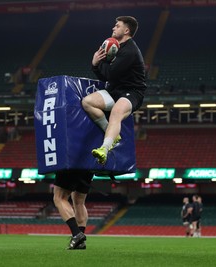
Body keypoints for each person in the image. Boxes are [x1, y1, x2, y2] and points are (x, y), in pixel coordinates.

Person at [82, 16, 147, 165]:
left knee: (117, 112)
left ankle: (104, 149)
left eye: (117, 26)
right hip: (114, 91)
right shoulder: (115, 47)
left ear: (126, 30)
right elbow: (106, 78)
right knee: (87, 102)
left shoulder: (130, 50)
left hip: (132, 92)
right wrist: (95, 65)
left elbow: (110, 73)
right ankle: (111, 132)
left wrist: (97, 63)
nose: (113, 28)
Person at [53, 170, 94, 250]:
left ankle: (76, 234)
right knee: (79, 202)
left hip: (71, 166)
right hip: (88, 169)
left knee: (59, 198)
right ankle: (80, 243)